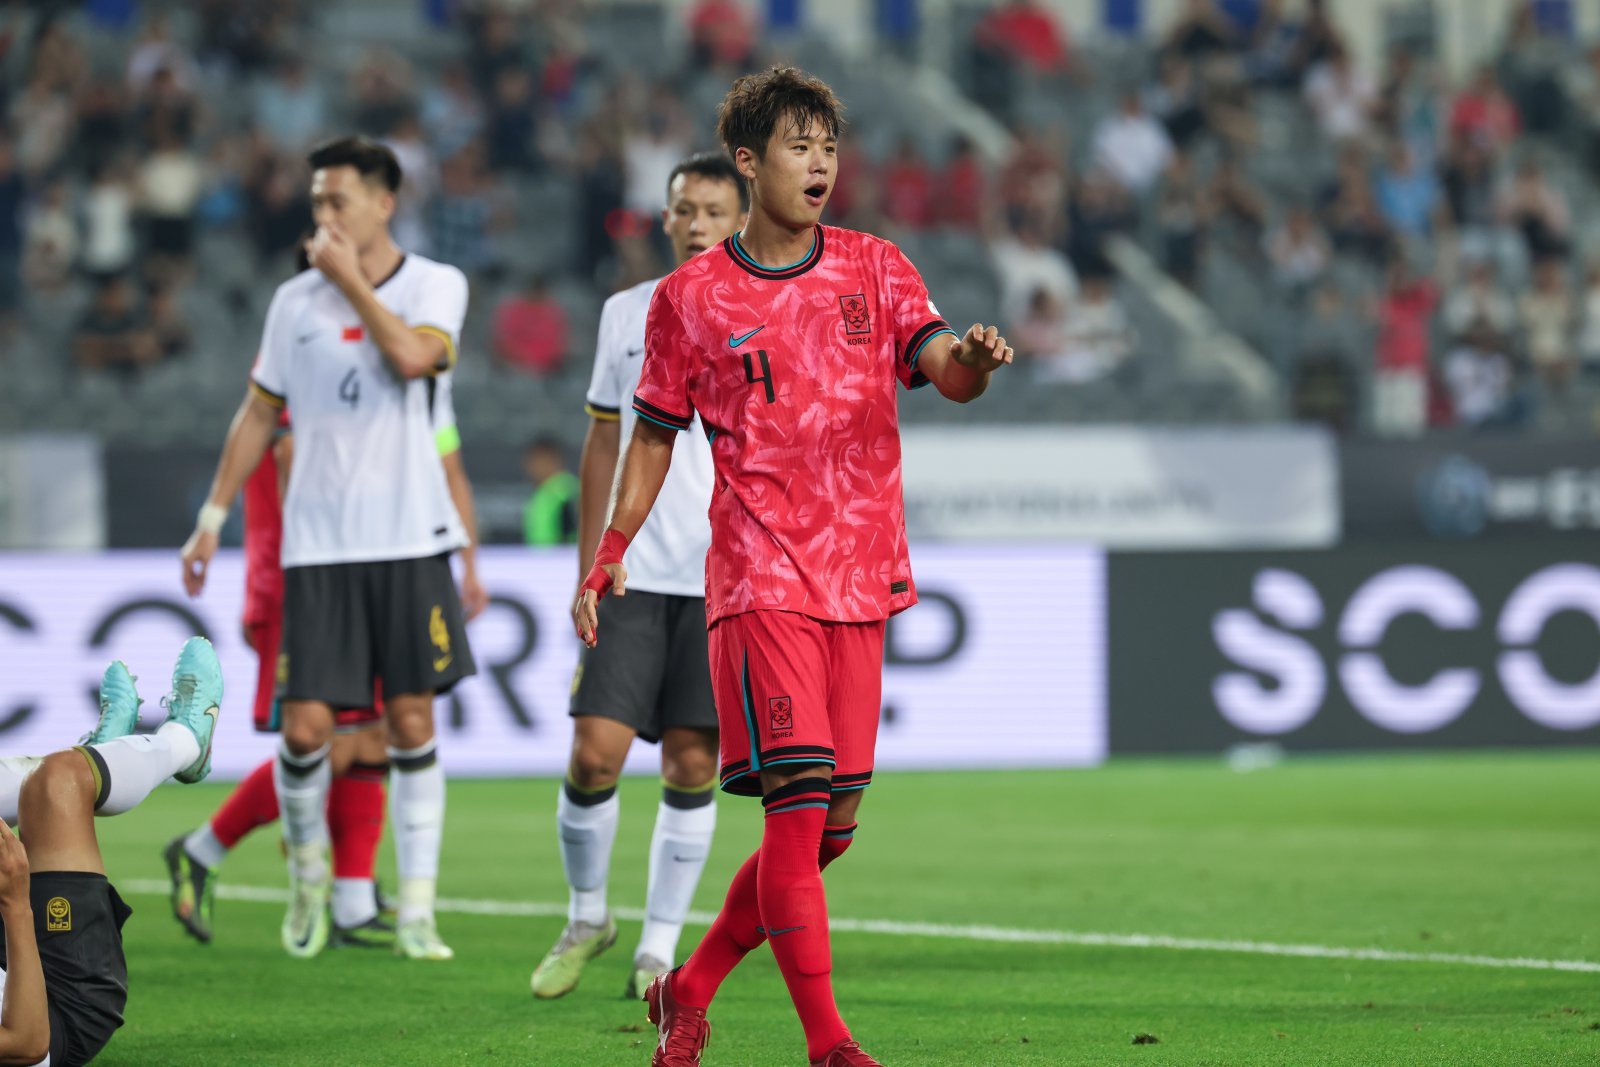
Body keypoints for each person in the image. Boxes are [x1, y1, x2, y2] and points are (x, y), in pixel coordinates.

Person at [572, 67, 1013, 1067]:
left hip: (860, 574)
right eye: (798, 145)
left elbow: (942, 366)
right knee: (796, 800)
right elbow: (649, 438)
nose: (819, 163)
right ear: (748, 159)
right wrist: (609, 550)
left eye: (828, 145)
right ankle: (828, 1043)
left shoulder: (876, 265)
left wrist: (974, 365)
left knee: (822, 834)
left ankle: (692, 983)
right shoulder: (689, 298)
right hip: (757, 575)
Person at [180, 135, 475, 961]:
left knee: (410, 719)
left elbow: (417, 357)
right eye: (315, 202)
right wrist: (213, 512)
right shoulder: (292, 302)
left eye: (336, 199)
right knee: (306, 729)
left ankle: (416, 906)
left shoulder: (435, 284)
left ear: (385, 202)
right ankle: (309, 878)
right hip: (318, 550)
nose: (323, 216)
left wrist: (349, 282)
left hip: (409, 539)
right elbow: (257, 411)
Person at [165, 372, 487, 949]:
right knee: (332, 738)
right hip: (310, 583)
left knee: (376, 731)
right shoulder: (305, 355)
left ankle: (353, 900)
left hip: (353, 573)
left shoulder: (382, 363)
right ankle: (206, 848)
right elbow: (291, 459)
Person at [530, 153, 746, 1004]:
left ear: (739, 218)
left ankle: (657, 949)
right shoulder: (627, 312)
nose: (695, 222)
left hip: (726, 580)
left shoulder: (764, 311)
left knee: (693, 762)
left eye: (712, 210)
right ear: (664, 218)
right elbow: (600, 442)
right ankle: (588, 914)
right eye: (683, 208)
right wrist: (593, 560)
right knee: (595, 751)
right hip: (634, 574)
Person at [0, 637, 223, 1067]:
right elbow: (28, 1043)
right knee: (59, 782)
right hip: (55, 1004)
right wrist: (14, 903)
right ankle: (186, 743)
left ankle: (97, 759)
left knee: (62, 782)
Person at [523, 438, 580, 546]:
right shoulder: (542, 493)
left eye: (539, 460)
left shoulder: (567, 492)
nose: (533, 467)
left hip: (565, 560)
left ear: (554, 459)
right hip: (540, 561)